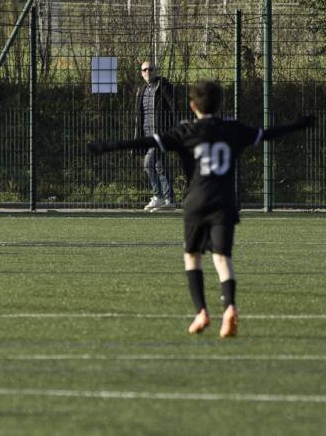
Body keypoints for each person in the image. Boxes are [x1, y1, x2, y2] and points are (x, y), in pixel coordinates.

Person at [88, 80, 314, 338]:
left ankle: (202, 312)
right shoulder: (232, 128)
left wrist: (108, 146)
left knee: (192, 256)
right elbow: (267, 134)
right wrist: (299, 125)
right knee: (222, 257)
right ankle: (229, 307)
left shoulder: (186, 132)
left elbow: (145, 140)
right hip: (225, 203)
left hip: (196, 203)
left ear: (192, 105)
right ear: (219, 105)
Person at [135, 61, 176, 211]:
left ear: (156, 70)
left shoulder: (163, 86)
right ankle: (169, 199)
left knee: (148, 164)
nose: (147, 72)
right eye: (144, 70)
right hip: (147, 135)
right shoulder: (142, 90)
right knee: (160, 166)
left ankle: (158, 196)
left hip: (161, 134)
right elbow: (140, 116)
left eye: (150, 69)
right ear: (141, 72)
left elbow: (174, 107)